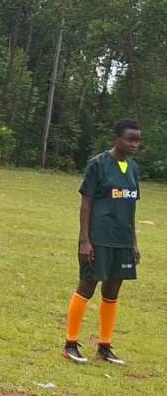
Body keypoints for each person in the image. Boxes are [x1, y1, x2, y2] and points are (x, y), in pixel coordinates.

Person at [64, 119, 142, 365]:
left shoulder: (133, 168)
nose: (134, 144)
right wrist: (84, 240)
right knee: (87, 288)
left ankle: (104, 347)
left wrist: (134, 243)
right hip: (98, 239)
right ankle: (70, 344)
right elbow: (86, 202)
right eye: (129, 139)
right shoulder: (97, 164)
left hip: (122, 240)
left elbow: (130, 208)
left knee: (112, 292)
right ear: (115, 138)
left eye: (137, 140)